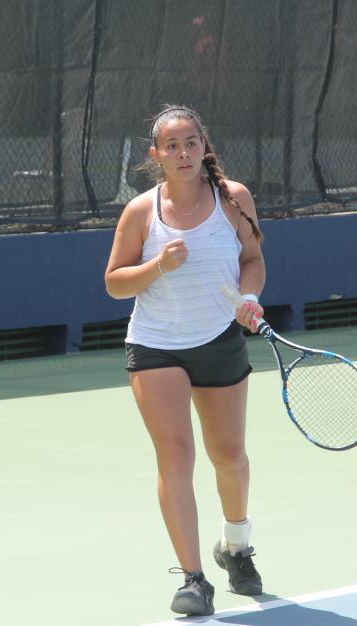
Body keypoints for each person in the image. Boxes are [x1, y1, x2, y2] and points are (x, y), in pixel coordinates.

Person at [104, 105, 266, 616]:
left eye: (191, 142)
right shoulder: (139, 213)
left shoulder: (234, 199)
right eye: (171, 146)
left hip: (219, 339)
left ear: (204, 146)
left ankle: (236, 547)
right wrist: (158, 264)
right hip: (156, 345)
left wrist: (251, 298)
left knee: (230, 457)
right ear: (155, 155)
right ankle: (194, 579)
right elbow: (113, 283)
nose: (183, 153)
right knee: (175, 457)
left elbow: (253, 260)